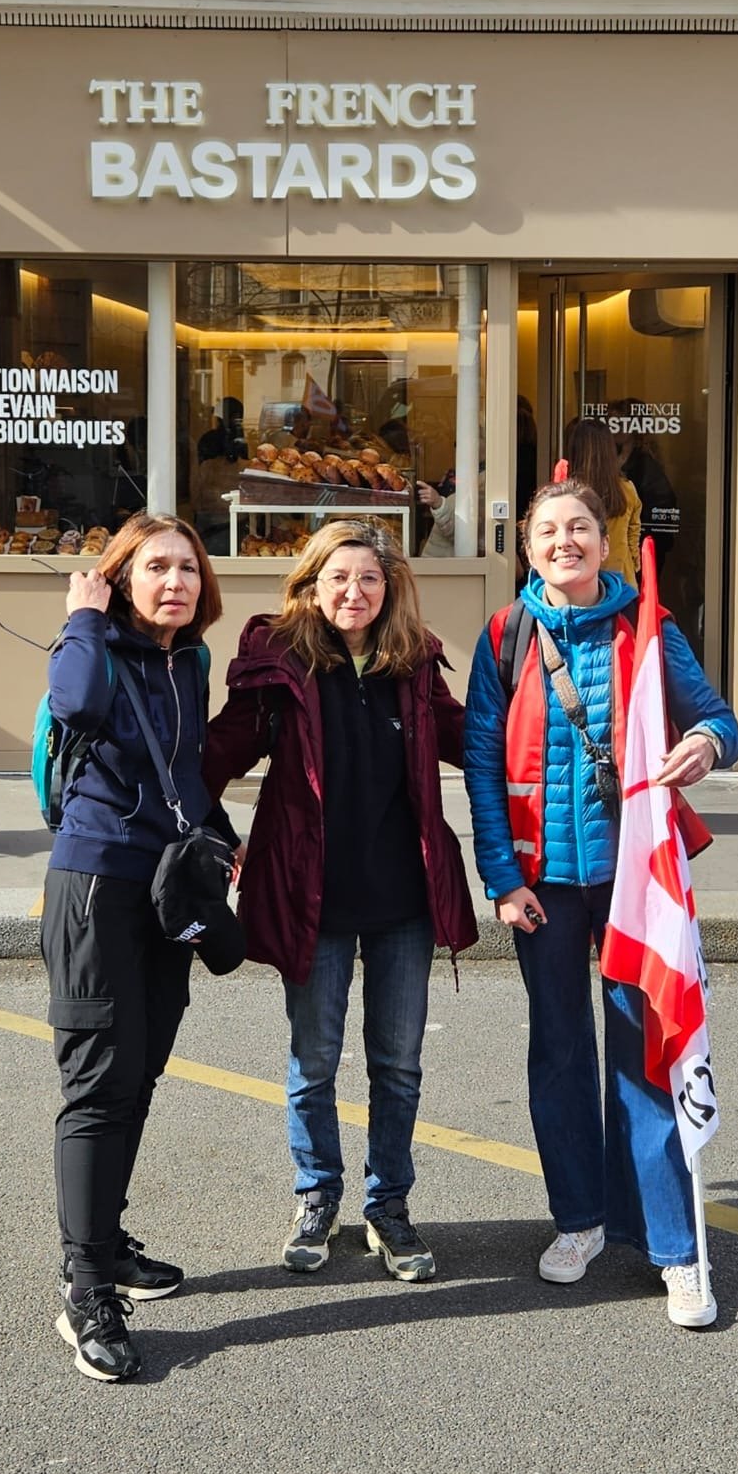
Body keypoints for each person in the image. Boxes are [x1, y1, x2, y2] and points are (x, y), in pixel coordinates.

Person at [464, 479, 738, 1328]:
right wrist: (501, 879)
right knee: (557, 1054)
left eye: (579, 527)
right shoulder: (505, 635)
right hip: (542, 885)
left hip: (634, 885)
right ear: (527, 549)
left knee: (646, 1057)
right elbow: (481, 763)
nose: (564, 542)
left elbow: (720, 722)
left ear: (603, 537)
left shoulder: (647, 627)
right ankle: (579, 1219)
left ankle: (672, 1248)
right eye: (547, 530)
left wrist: (704, 743)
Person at [203, 519, 478, 1282]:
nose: (353, 591)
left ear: (388, 588)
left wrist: (560, 746)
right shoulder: (280, 665)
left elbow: (476, 742)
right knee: (314, 1061)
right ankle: (317, 1196)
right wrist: (212, 834)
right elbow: (212, 756)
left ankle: (388, 1207)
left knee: (397, 1065)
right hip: (311, 898)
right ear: (311, 585)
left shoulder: (413, 664)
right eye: (338, 577)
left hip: (402, 901)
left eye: (368, 578)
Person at [42, 513, 238, 1382]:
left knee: (140, 1071)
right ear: (121, 577)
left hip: (165, 889)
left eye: (187, 568)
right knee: (97, 1086)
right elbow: (77, 707)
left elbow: (182, 768)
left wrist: (219, 832)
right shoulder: (90, 647)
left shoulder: (186, 660)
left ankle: (106, 1242)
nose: (175, 582)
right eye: (155, 567)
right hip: (95, 886)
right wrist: (84, 616)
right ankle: (85, 1290)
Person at [565, 416, 641, 586]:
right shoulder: (627, 489)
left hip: (580, 579)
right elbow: (633, 534)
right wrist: (634, 562)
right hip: (621, 579)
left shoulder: (568, 493)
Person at [607, 399, 680, 576]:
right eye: (611, 421)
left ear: (634, 425)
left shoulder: (644, 462)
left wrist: (641, 530)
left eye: (620, 422)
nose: (614, 427)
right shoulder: (611, 458)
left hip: (642, 544)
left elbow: (662, 502)